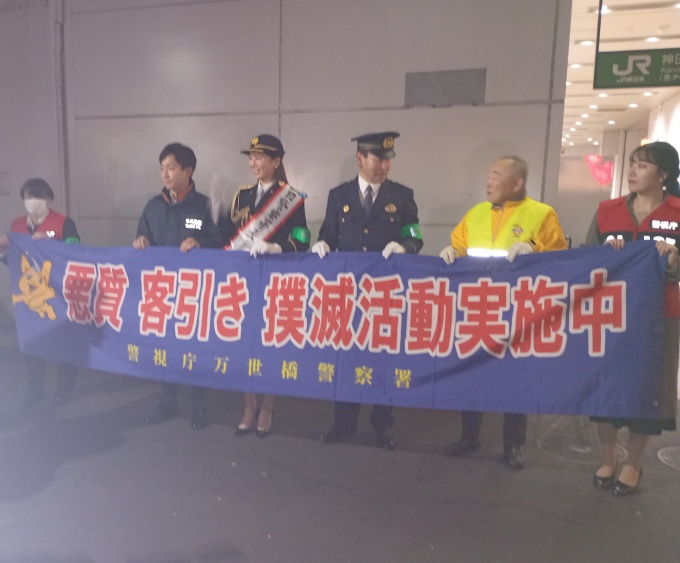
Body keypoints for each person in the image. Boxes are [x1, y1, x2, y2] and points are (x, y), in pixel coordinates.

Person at [439, 155, 567, 469]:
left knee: (515, 379)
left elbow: (560, 255)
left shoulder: (541, 214)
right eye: (488, 175)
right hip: (478, 308)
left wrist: (533, 247)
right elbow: (459, 244)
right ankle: (469, 437)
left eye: (496, 175)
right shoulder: (476, 213)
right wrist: (452, 250)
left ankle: (513, 446)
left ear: (517, 182)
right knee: (473, 374)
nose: (488, 181)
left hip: (518, 312)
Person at [312, 131, 423, 450]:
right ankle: (343, 422)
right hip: (348, 294)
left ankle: (383, 421)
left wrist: (404, 247)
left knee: (384, 359)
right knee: (346, 357)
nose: (384, 165)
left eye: (388, 160)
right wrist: (321, 244)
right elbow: (328, 235)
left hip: (384, 294)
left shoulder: (402, 196)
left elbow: (414, 236)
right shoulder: (339, 196)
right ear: (360, 158)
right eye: (378, 159)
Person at [586, 141, 680, 495]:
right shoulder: (607, 212)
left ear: (663, 174)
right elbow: (586, 259)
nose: (632, 171)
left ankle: (633, 464)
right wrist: (606, 256)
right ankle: (608, 457)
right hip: (611, 314)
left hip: (660, 315)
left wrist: (673, 259)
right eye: (631, 164)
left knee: (648, 388)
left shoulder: (678, 214)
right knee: (607, 386)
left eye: (642, 165)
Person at [221, 134, 310, 439]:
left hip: (275, 281)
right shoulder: (242, 195)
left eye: (259, 157)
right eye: (251, 157)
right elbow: (228, 237)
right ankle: (249, 405)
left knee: (270, 344)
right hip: (244, 281)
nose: (253, 163)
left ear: (276, 161)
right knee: (244, 343)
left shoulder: (290, 197)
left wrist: (277, 247)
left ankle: (268, 405)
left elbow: (302, 238)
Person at [134, 142, 221, 430]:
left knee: (194, 349)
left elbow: (222, 242)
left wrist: (200, 242)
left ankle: (199, 405)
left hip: (195, 293)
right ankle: (168, 401)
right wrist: (142, 240)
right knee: (165, 348)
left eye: (171, 168)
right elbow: (143, 234)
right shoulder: (154, 206)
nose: (165, 174)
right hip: (163, 291)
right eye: (162, 168)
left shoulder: (205, 206)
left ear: (188, 170)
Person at [0, 178, 80, 407]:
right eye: (28, 197)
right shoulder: (17, 226)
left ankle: (64, 391)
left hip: (59, 294)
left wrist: (51, 242)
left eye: (38, 196)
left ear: (49, 199)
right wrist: (2, 249)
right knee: (31, 342)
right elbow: (12, 260)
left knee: (64, 343)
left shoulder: (63, 223)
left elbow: (75, 251)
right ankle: (35, 390)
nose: (33, 201)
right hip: (29, 298)